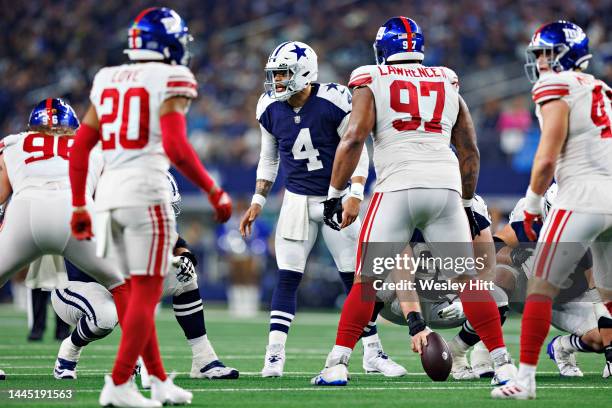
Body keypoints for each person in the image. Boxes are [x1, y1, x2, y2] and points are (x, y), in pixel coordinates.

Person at [312, 16, 515, 386]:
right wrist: (467, 204)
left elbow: (355, 136)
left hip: (398, 187)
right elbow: (469, 150)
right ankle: (504, 366)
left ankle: (337, 364)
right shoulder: (446, 78)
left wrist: (335, 193)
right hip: (446, 187)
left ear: (383, 50)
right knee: (469, 283)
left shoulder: (370, 77)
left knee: (366, 282)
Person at [68, 7, 231, 407]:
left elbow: (81, 147)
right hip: (146, 190)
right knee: (145, 293)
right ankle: (120, 383)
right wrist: (213, 190)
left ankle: (158, 379)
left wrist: (78, 204)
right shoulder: (173, 76)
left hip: (107, 195)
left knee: (133, 289)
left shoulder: (106, 78)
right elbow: (176, 146)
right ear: (169, 41)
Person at [240, 40, 405, 378]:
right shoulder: (269, 106)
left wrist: (356, 192)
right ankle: (274, 355)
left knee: (355, 280)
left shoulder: (334, 99)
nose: (277, 82)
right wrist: (257, 201)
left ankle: (372, 352)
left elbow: (357, 148)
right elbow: (268, 157)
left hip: (337, 197)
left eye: (283, 75)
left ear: (304, 73)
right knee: (288, 277)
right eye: (275, 75)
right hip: (296, 200)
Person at [492, 24, 612, 394]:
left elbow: (547, 153)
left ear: (567, 54)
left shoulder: (554, 86)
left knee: (540, 289)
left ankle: (525, 380)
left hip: (580, 196)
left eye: (548, 53)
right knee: (608, 297)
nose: (541, 61)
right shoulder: (602, 89)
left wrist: (531, 202)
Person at [52, 174, 238, 382]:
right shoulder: (101, 217)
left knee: (184, 274)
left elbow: (177, 243)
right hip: (75, 287)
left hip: (119, 287)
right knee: (105, 316)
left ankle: (204, 360)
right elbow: (120, 274)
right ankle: (69, 350)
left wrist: (184, 258)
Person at [0, 97, 125, 308]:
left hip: (26, 209)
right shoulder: (95, 145)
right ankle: (139, 342)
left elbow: (2, 196)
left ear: (33, 126)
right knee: (121, 283)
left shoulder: (13, 143)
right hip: (75, 209)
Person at [492, 183, 610, 378]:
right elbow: (492, 248)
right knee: (500, 275)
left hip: (572, 297)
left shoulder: (592, 223)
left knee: (600, 339)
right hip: (527, 288)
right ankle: (487, 356)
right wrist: (513, 257)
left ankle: (561, 347)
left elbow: (597, 289)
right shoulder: (530, 216)